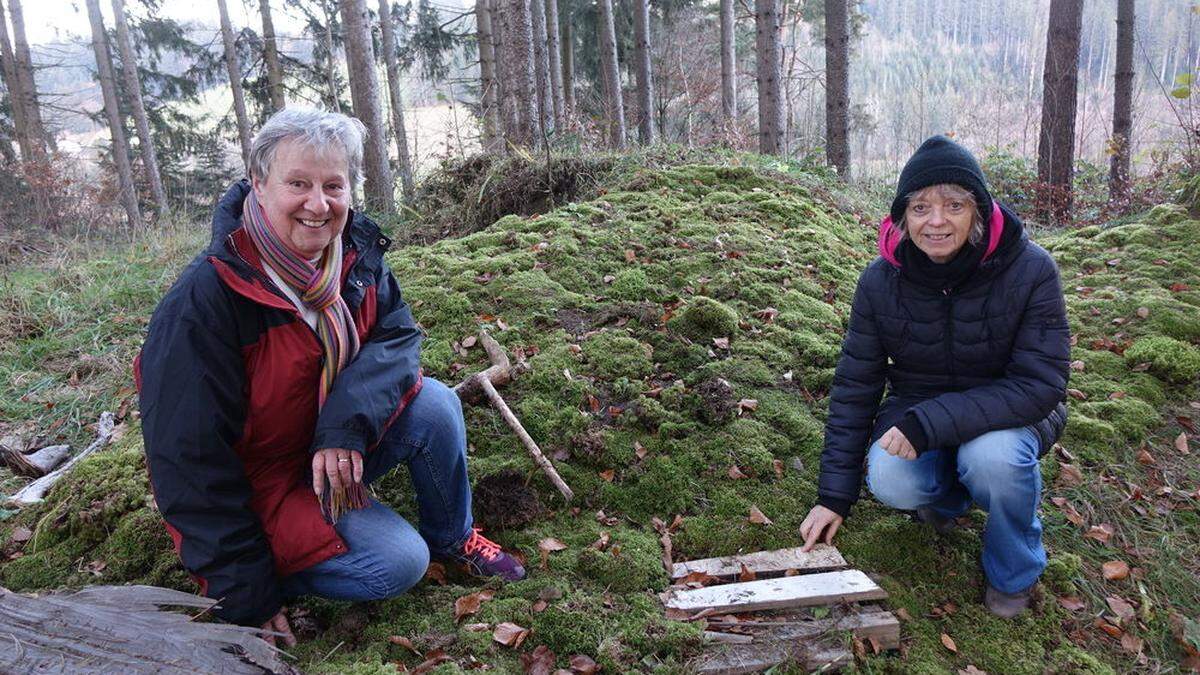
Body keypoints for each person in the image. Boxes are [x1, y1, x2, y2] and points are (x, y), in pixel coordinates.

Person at [136, 107, 525, 645]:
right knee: (397, 564)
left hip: (327, 444)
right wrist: (243, 590)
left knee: (434, 403)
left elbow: (396, 336)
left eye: (333, 186)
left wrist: (344, 428)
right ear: (258, 184)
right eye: (298, 183)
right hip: (264, 488)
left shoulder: (354, 255)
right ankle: (280, 567)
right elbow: (188, 461)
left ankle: (454, 538)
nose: (318, 205)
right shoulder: (208, 302)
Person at [798, 135, 1070, 618]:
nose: (937, 220)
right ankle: (948, 500)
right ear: (903, 218)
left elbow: (1040, 384)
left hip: (1010, 412)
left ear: (979, 211)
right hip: (917, 405)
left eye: (954, 204)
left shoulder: (1031, 270)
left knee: (995, 459)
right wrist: (834, 496)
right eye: (920, 207)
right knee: (891, 478)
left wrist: (931, 424)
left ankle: (1013, 571)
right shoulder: (880, 282)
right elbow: (856, 387)